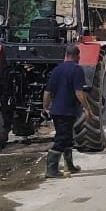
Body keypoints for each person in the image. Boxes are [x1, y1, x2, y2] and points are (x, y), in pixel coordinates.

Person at [42, 45, 93, 179]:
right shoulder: (77, 69)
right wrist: (87, 108)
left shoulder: (57, 70)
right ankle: (51, 169)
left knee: (68, 138)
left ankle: (69, 166)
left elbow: (47, 92)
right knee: (62, 139)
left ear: (66, 55)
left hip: (56, 110)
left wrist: (46, 107)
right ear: (77, 56)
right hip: (67, 111)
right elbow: (79, 92)